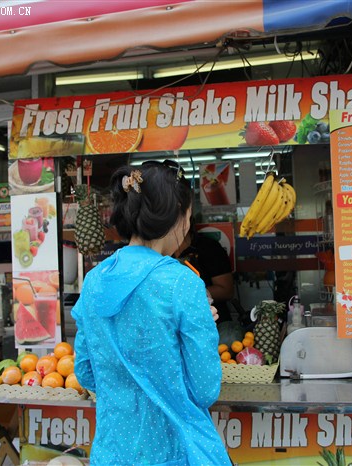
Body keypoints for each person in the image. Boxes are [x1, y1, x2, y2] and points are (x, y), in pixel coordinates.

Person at [72, 160, 232, 466]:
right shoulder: (182, 283)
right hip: (173, 453)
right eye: (188, 217)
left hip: (112, 453)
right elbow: (204, 388)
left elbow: (86, 372)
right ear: (178, 215)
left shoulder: (94, 281)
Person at [175, 218, 235, 324]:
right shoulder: (161, 253)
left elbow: (226, 290)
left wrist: (189, 293)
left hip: (215, 320)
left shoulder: (209, 247)